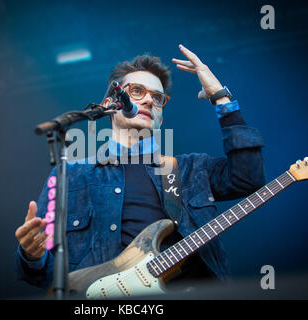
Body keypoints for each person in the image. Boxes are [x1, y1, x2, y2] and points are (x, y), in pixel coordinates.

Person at [14, 44, 265, 295]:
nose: (148, 100)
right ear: (111, 104)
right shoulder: (71, 174)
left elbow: (248, 178)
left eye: (157, 98)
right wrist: (31, 254)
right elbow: (37, 274)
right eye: (136, 91)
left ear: (160, 118)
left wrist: (221, 96)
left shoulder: (190, 169)